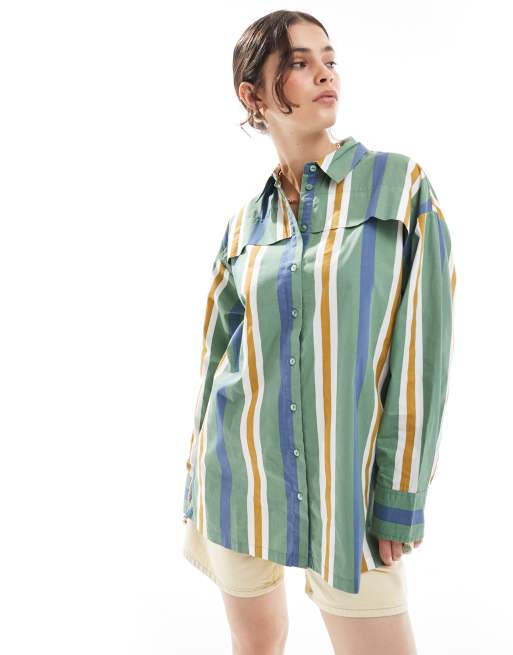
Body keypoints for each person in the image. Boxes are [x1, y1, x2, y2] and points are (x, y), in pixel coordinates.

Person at [181, 10, 456, 655]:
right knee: (256, 645)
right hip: (239, 474)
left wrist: (401, 494)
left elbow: (424, 351)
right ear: (253, 95)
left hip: (348, 485)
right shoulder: (245, 224)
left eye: (328, 59)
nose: (325, 73)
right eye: (299, 63)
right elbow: (217, 360)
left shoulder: (398, 186)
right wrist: (195, 476)